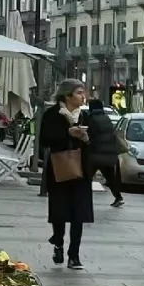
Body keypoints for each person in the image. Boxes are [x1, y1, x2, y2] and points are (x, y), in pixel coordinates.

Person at [39, 80, 93, 270]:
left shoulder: (85, 116)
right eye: (79, 92)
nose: (82, 96)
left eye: (83, 92)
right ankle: (59, 242)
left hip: (81, 170)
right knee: (59, 212)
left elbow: (94, 142)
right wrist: (68, 133)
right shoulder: (52, 115)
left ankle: (74, 255)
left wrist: (85, 138)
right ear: (67, 95)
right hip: (59, 168)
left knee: (79, 213)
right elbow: (44, 140)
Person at [81, 99, 123, 208]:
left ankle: (83, 200)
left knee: (86, 178)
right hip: (108, 154)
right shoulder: (106, 119)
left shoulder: (90, 119)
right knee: (110, 178)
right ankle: (118, 197)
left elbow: (89, 136)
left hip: (95, 154)